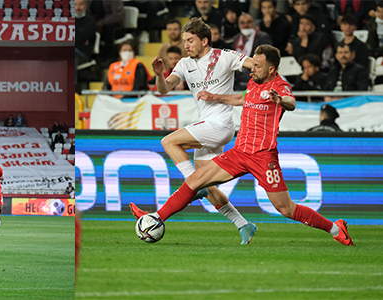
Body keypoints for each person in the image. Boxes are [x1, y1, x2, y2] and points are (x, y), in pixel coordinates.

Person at [143, 44, 354, 247]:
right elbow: (241, 98)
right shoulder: (253, 83)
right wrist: (215, 97)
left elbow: (292, 102)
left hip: (263, 156)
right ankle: (156, 219)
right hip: (239, 152)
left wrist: (279, 100)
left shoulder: (280, 86)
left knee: (286, 208)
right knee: (196, 180)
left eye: (258, 66)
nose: (252, 68)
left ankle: (335, 229)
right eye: (253, 64)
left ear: (271, 69)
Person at [150, 17, 257, 244]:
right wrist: (159, 75)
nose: (186, 45)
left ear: (204, 40)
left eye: (190, 40)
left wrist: (262, 79)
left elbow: (254, 64)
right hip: (207, 126)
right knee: (207, 186)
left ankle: (192, 184)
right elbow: (164, 89)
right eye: (184, 41)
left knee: (169, 142)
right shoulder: (184, 64)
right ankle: (243, 225)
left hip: (220, 124)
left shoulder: (224, 56)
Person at [233, 13, 273, 90]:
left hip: (255, 71)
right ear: (238, 25)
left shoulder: (263, 37)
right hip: (239, 72)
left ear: (254, 23)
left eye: (249, 22)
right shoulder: (236, 39)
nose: (246, 25)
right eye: (242, 23)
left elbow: (267, 57)